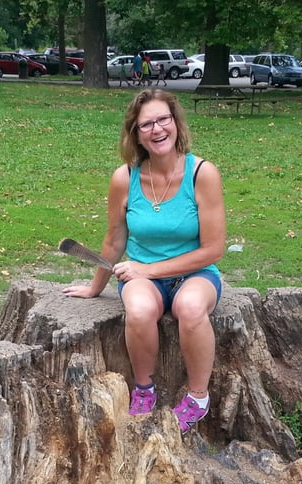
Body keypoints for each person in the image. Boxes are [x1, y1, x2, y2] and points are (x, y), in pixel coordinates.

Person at [63, 90, 226, 434]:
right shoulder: (125, 178)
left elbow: (213, 250)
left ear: (176, 123)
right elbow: (114, 240)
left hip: (195, 273)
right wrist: (95, 288)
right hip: (142, 278)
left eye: (163, 119)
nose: (157, 129)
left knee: (191, 308)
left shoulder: (202, 173)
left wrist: (148, 269)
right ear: (136, 135)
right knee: (138, 310)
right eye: (146, 124)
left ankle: (198, 398)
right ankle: (144, 389)